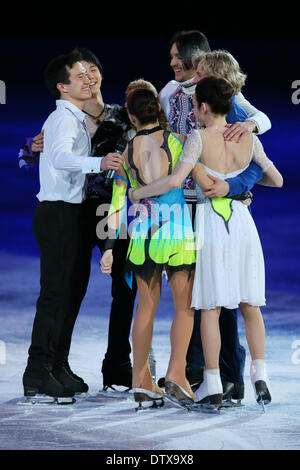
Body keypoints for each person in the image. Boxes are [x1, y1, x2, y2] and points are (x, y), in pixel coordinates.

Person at [129, 76, 283, 408]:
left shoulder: (198, 137)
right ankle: (261, 375)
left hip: (211, 223)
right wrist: (241, 185)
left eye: (195, 107)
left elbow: (173, 180)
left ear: (202, 107)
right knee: (250, 305)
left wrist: (137, 193)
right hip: (243, 224)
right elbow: (277, 179)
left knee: (210, 307)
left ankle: (211, 381)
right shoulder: (248, 139)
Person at [158, 30, 272, 404]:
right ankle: (198, 372)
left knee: (216, 295)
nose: (174, 63)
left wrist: (234, 185)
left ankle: (226, 375)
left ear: (199, 64)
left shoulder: (222, 97)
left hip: (212, 206)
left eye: (179, 58)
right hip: (184, 204)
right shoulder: (169, 94)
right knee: (196, 291)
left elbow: (260, 128)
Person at [22, 51, 123, 402]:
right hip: (59, 213)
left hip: (66, 213)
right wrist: (101, 161)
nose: (87, 79)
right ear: (62, 86)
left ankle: (54, 366)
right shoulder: (64, 118)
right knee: (53, 296)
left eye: (89, 72)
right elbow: (60, 157)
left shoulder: (73, 116)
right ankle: (37, 371)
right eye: (79, 75)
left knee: (63, 294)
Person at [100, 88, 197, 409]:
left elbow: (115, 206)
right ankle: (176, 376)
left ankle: (141, 383)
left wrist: (109, 248)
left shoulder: (125, 154)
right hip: (178, 231)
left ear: (131, 117)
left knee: (145, 308)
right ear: (159, 109)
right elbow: (201, 181)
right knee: (185, 308)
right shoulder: (178, 142)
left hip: (142, 236)